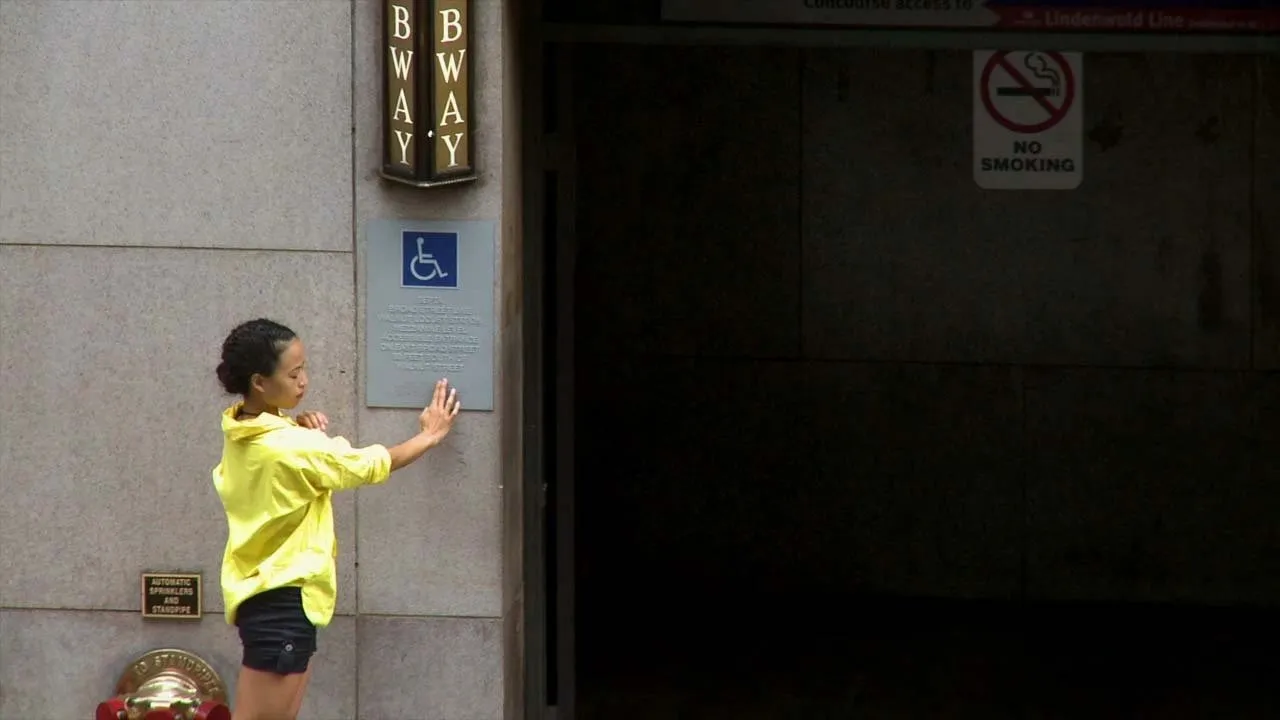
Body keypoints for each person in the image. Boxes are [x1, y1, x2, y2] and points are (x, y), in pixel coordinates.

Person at [212, 318, 460, 720]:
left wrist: (292, 423)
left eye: (304, 368)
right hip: (282, 600)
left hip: (268, 597)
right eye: (293, 373)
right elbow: (366, 464)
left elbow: (287, 461)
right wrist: (429, 435)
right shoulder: (287, 446)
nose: (304, 381)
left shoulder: (240, 426)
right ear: (259, 381)